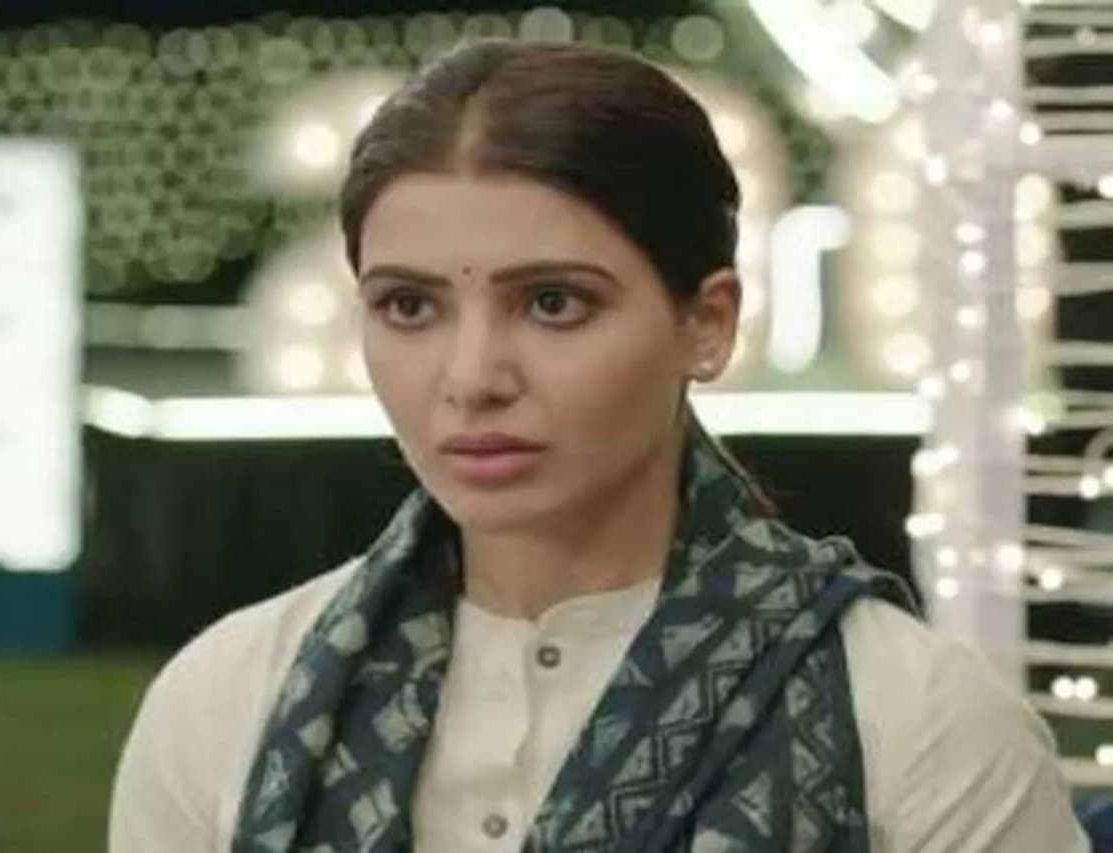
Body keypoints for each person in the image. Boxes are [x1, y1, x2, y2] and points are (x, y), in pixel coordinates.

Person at [109, 40, 1088, 852]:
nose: (471, 376)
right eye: (408, 306)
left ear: (707, 323)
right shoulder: (230, 702)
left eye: (552, 302)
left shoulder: (916, 722)